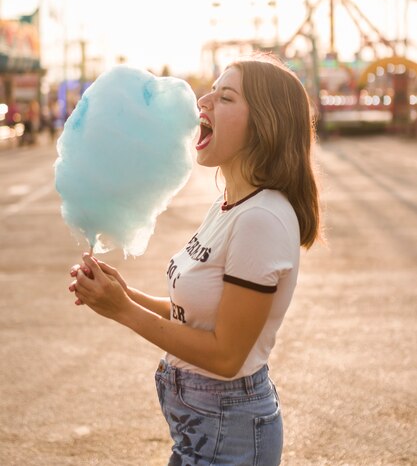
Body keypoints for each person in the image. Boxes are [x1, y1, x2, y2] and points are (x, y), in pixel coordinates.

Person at [69, 53, 321, 465]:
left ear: (265, 122)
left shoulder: (261, 219)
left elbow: (226, 354)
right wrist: (122, 294)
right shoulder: (228, 205)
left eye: (225, 97)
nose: (201, 102)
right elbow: (196, 315)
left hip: (229, 432)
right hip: (203, 427)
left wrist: (123, 312)